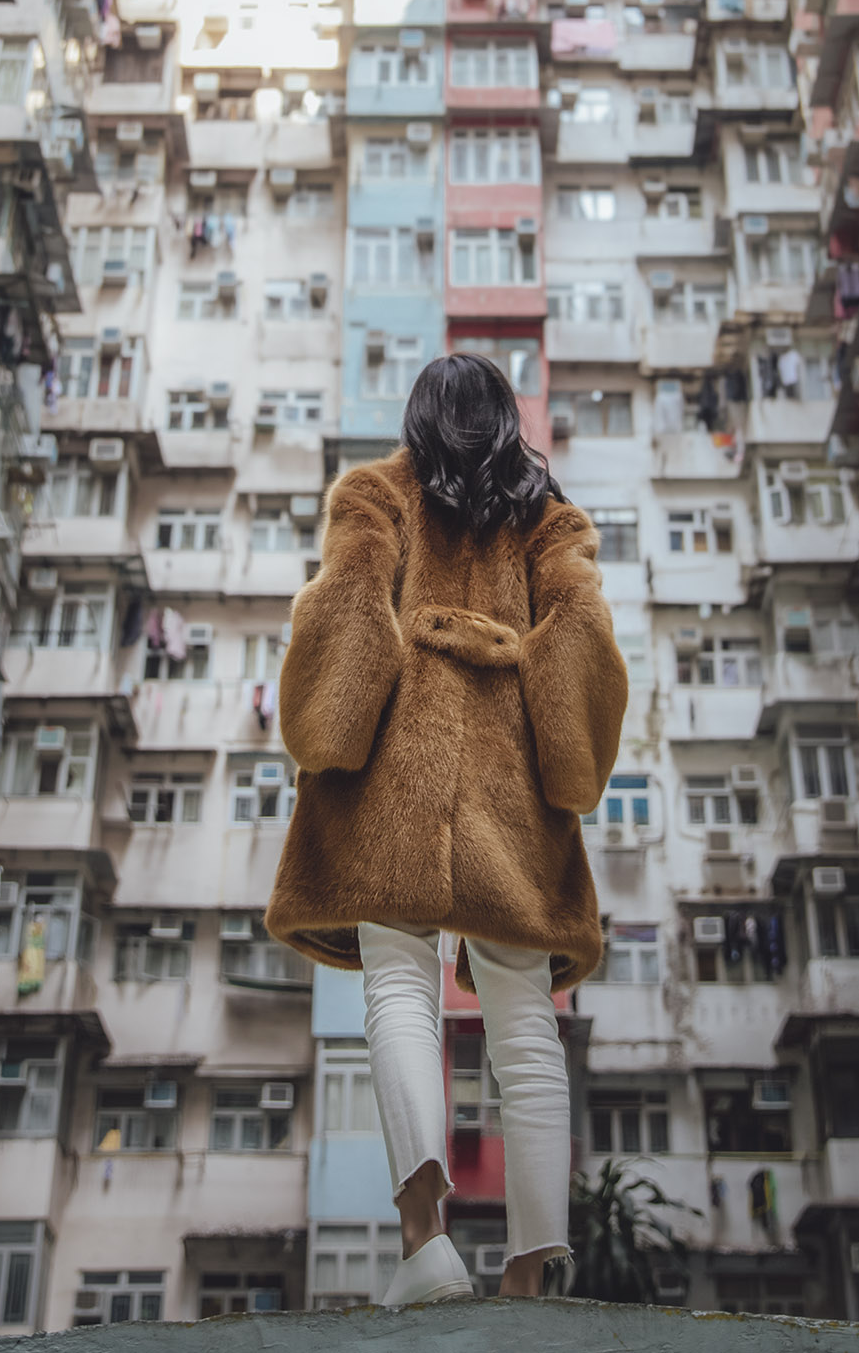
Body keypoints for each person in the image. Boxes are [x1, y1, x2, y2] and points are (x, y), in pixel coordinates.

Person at [266, 354, 627, 1306]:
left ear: (418, 418)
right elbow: (581, 643)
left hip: (397, 780)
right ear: (507, 421)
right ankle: (531, 1271)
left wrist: (328, 731)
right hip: (516, 795)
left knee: (398, 988)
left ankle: (426, 1242)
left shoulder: (377, 495)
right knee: (524, 1020)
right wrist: (565, 757)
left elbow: (345, 625)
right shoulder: (550, 519)